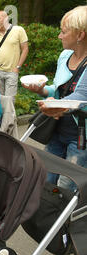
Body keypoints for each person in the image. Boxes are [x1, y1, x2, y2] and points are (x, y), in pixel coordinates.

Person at [22, 5, 87, 192]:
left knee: (69, 185)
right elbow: (59, 91)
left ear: (80, 35)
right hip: (57, 130)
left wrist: (55, 105)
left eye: (64, 32)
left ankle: (69, 221)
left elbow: (81, 96)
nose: (59, 36)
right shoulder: (65, 56)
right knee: (47, 179)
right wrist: (42, 91)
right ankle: (48, 219)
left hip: (80, 136)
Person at [0, 10, 29, 98]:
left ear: (6, 18)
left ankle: (9, 113)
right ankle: (1, 112)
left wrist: (18, 67)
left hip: (12, 71)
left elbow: (25, 49)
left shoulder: (18, 30)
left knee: (10, 99)